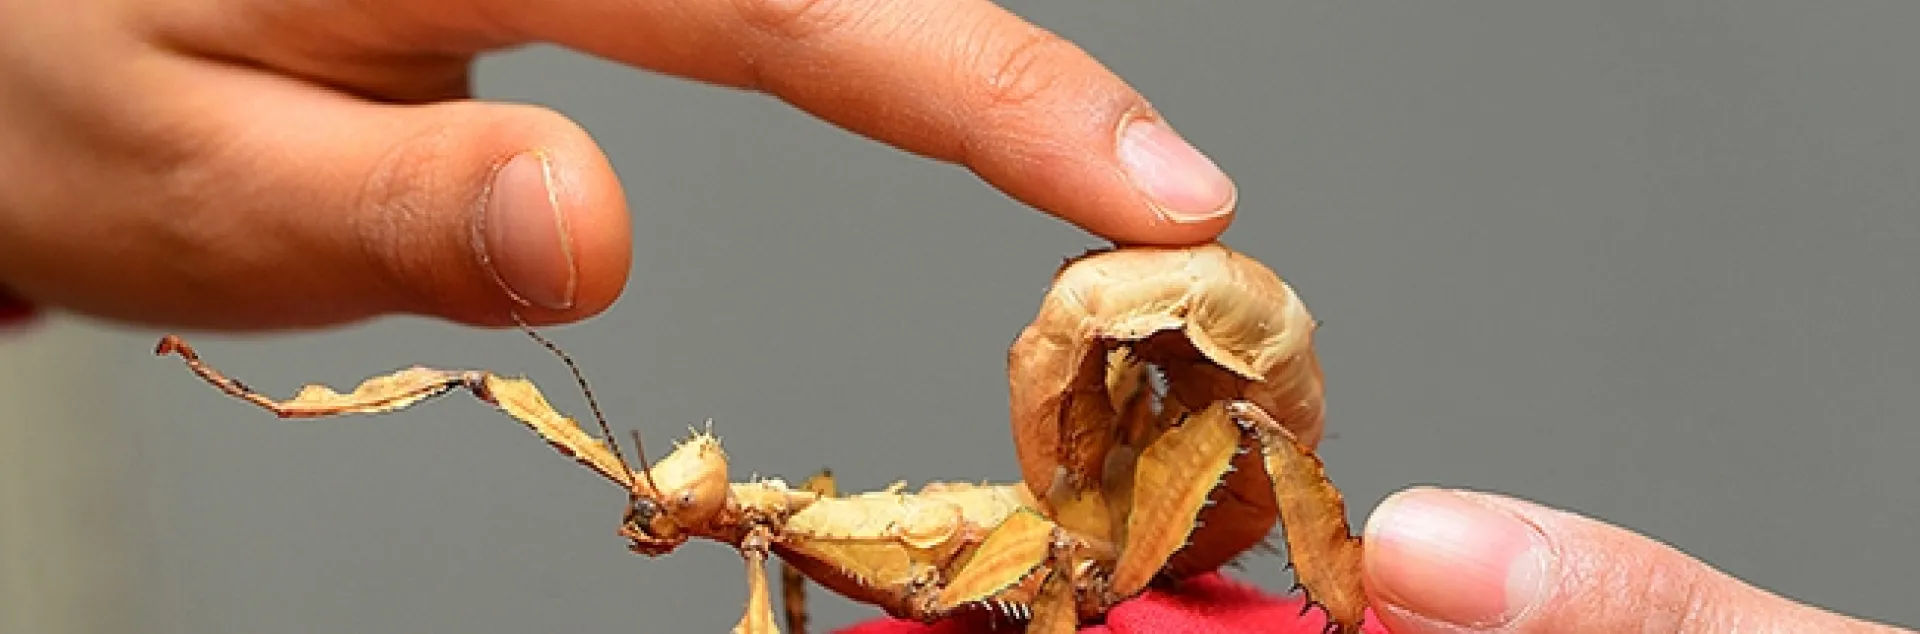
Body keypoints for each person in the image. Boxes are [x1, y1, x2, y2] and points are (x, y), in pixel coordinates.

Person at [0, 2, 1904, 632]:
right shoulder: (782, 554)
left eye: (673, 495)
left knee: (1222, 421)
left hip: (1130, 534)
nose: (661, 504)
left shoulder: (883, 548)